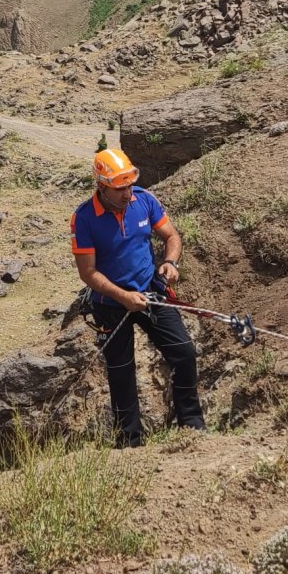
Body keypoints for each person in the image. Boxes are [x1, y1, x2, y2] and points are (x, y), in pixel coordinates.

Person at [70, 147, 205, 447]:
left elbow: (172, 236)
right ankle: (129, 444)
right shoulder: (84, 219)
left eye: (129, 184)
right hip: (109, 306)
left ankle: (192, 428)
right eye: (119, 188)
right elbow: (88, 273)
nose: (127, 193)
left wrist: (170, 262)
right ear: (101, 186)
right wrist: (123, 297)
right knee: (121, 374)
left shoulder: (144, 200)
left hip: (151, 292)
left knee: (184, 354)